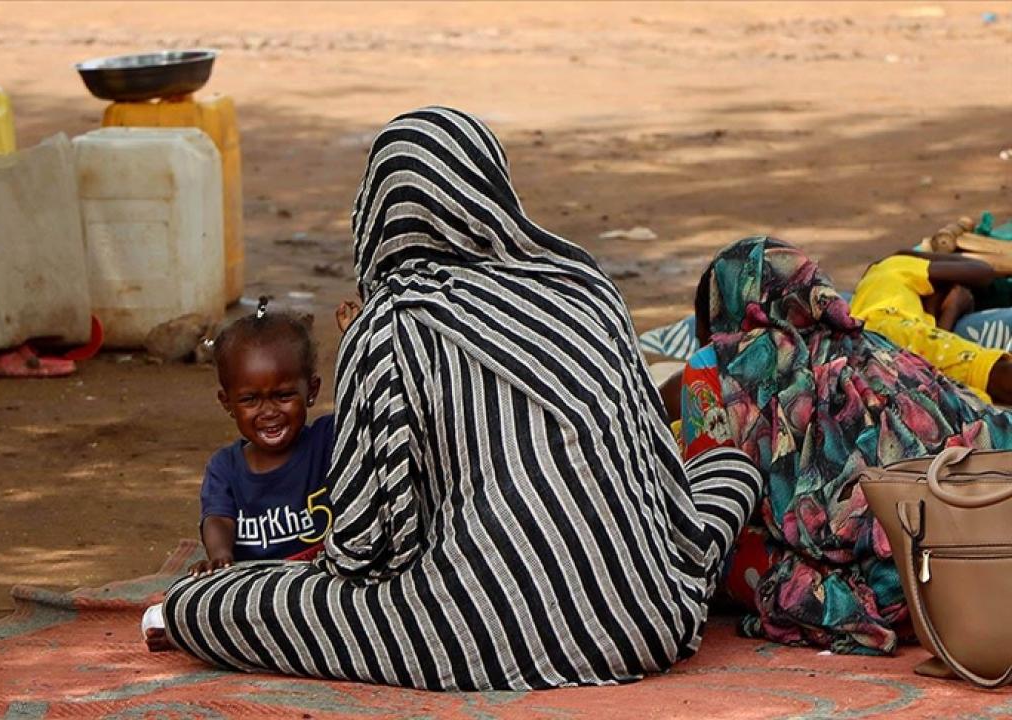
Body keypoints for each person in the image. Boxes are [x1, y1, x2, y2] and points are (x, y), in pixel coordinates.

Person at [156, 106, 763, 691]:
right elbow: (658, 479)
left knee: (197, 603)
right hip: (648, 621)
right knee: (727, 467)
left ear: (376, 210)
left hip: (472, 632)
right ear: (490, 187)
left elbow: (365, 547)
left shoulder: (388, 323)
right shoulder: (586, 289)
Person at [681, 236, 1012, 655]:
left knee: (715, 547)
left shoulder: (713, 367)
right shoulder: (880, 347)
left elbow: (709, 487)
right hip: (946, 561)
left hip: (859, 574)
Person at [144, 299, 339, 652]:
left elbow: (366, 409)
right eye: (250, 400)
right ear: (227, 402)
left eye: (283, 396)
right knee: (183, 598)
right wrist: (220, 556)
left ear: (311, 391)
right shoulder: (224, 466)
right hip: (248, 588)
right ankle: (187, 626)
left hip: (316, 582)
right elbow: (217, 518)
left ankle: (206, 635)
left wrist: (356, 340)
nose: (268, 412)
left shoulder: (326, 441)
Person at [849, 251, 1012, 404]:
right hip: (889, 330)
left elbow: (932, 363)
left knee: (965, 399)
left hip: (874, 351)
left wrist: (951, 310)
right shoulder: (890, 267)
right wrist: (914, 254)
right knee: (993, 373)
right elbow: (983, 272)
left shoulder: (883, 301)